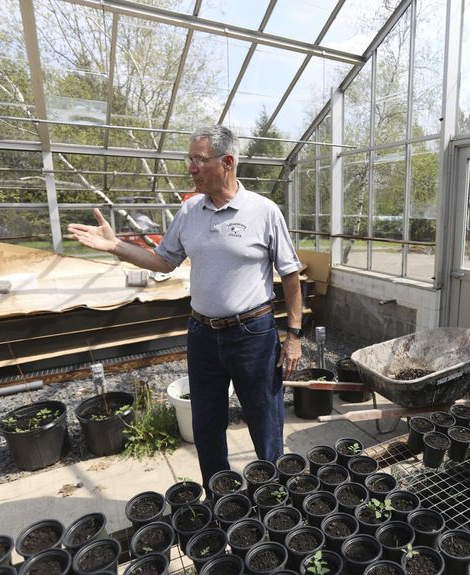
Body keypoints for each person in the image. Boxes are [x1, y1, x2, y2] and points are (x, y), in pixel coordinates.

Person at [67, 125, 304, 498]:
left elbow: (290, 275)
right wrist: (118, 247)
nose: (191, 168)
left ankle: (272, 496)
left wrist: (294, 336)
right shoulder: (191, 210)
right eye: (189, 159)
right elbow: (164, 261)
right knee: (206, 424)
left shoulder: (264, 211)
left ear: (227, 162)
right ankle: (221, 497)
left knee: (265, 419)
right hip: (203, 334)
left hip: (253, 334)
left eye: (199, 159)